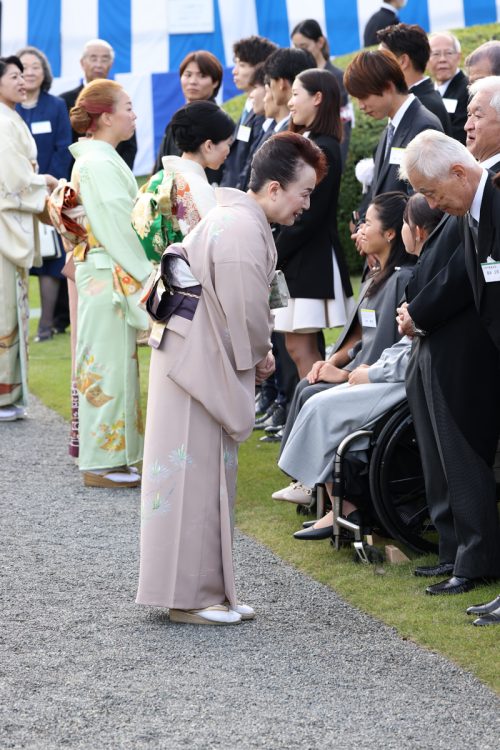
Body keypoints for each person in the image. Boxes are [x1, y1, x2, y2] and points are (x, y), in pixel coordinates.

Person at [136, 132, 326, 626]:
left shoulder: (240, 219)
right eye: (304, 193)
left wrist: (255, 351)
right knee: (191, 474)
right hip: (196, 357)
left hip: (197, 352)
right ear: (273, 188)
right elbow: (246, 311)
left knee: (208, 474)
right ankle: (189, 598)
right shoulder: (240, 228)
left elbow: (246, 307)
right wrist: (262, 355)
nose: (307, 204)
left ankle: (212, 590)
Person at [278, 195, 442, 541]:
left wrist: (359, 371)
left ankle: (332, 498)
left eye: (367, 222)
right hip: (385, 367)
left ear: (406, 231)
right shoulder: (378, 276)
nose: (359, 229)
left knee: (320, 401)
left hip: (392, 376)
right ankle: (326, 496)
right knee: (313, 394)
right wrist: (337, 363)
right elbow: (366, 337)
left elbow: (390, 344)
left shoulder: (404, 278)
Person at [399, 130, 500, 594]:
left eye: (432, 193)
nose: (431, 205)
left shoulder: (493, 197)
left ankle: (479, 563)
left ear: (459, 173)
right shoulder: (468, 206)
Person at [54, 79, 153, 487]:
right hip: (106, 271)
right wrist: (150, 275)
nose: (133, 113)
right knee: (107, 368)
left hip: (100, 271)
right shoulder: (98, 162)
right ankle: (102, 462)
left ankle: (112, 458)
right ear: (106, 116)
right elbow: (119, 228)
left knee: (109, 365)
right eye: (127, 107)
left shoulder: (98, 158)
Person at [273, 68, 354, 380]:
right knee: (296, 346)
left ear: (317, 98)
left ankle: (316, 418)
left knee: (301, 347)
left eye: (296, 94)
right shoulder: (309, 141)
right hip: (299, 256)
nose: (290, 102)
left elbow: (309, 215)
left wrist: (273, 253)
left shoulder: (324, 146)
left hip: (310, 257)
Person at [0, 55, 56, 422]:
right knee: (3, 309)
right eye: (15, 76)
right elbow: (14, 179)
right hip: (5, 224)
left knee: (10, 307)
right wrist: (44, 182)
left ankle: (9, 391)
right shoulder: (3, 122)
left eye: (24, 76)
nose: (23, 81)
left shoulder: (10, 117)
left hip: (10, 223)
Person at [343, 49, 443, 223]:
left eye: (364, 97)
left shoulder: (424, 126)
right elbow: (379, 189)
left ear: (388, 87)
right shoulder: (392, 126)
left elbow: (423, 205)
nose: (360, 106)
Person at [15, 46, 72, 343]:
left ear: (44, 72)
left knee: (52, 259)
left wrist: (46, 186)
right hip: (15, 196)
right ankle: (17, 326)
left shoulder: (55, 106)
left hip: (47, 193)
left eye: (35, 66)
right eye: (23, 68)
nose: (30, 72)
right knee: (19, 258)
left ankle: (46, 326)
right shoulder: (9, 109)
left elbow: (64, 147)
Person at [132, 101, 234, 263]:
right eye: (228, 143)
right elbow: (218, 248)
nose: (228, 150)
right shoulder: (197, 187)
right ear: (208, 145)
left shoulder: (158, 179)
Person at [60, 39, 137, 170]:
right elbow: (62, 146)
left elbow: (129, 145)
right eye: (93, 58)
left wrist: (118, 172)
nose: (99, 64)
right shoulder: (65, 101)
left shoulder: (120, 97)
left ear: (111, 64)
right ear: (82, 63)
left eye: (104, 59)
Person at [153, 50, 224, 183]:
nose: (193, 81)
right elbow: (160, 167)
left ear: (215, 82)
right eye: (188, 75)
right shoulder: (176, 121)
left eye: (201, 76)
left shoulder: (219, 123)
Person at [291, 18, 353, 167]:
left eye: (304, 46)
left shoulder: (337, 78)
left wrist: (335, 162)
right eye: (296, 47)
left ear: (320, 42)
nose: (300, 51)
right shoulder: (298, 78)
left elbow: (343, 125)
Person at [220, 35, 277, 188]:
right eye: (236, 64)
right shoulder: (250, 105)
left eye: (243, 65)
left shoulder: (265, 113)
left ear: (262, 67)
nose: (234, 71)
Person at [377, 23, 452, 135]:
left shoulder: (424, 107)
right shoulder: (412, 101)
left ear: (403, 61)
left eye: (382, 59)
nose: (377, 66)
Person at [428, 32, 468, 145]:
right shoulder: (426, 93)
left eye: (448, 53)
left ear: (459, 57)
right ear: (427, 60)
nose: (442, 59)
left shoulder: (468, 89)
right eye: (435, 54)